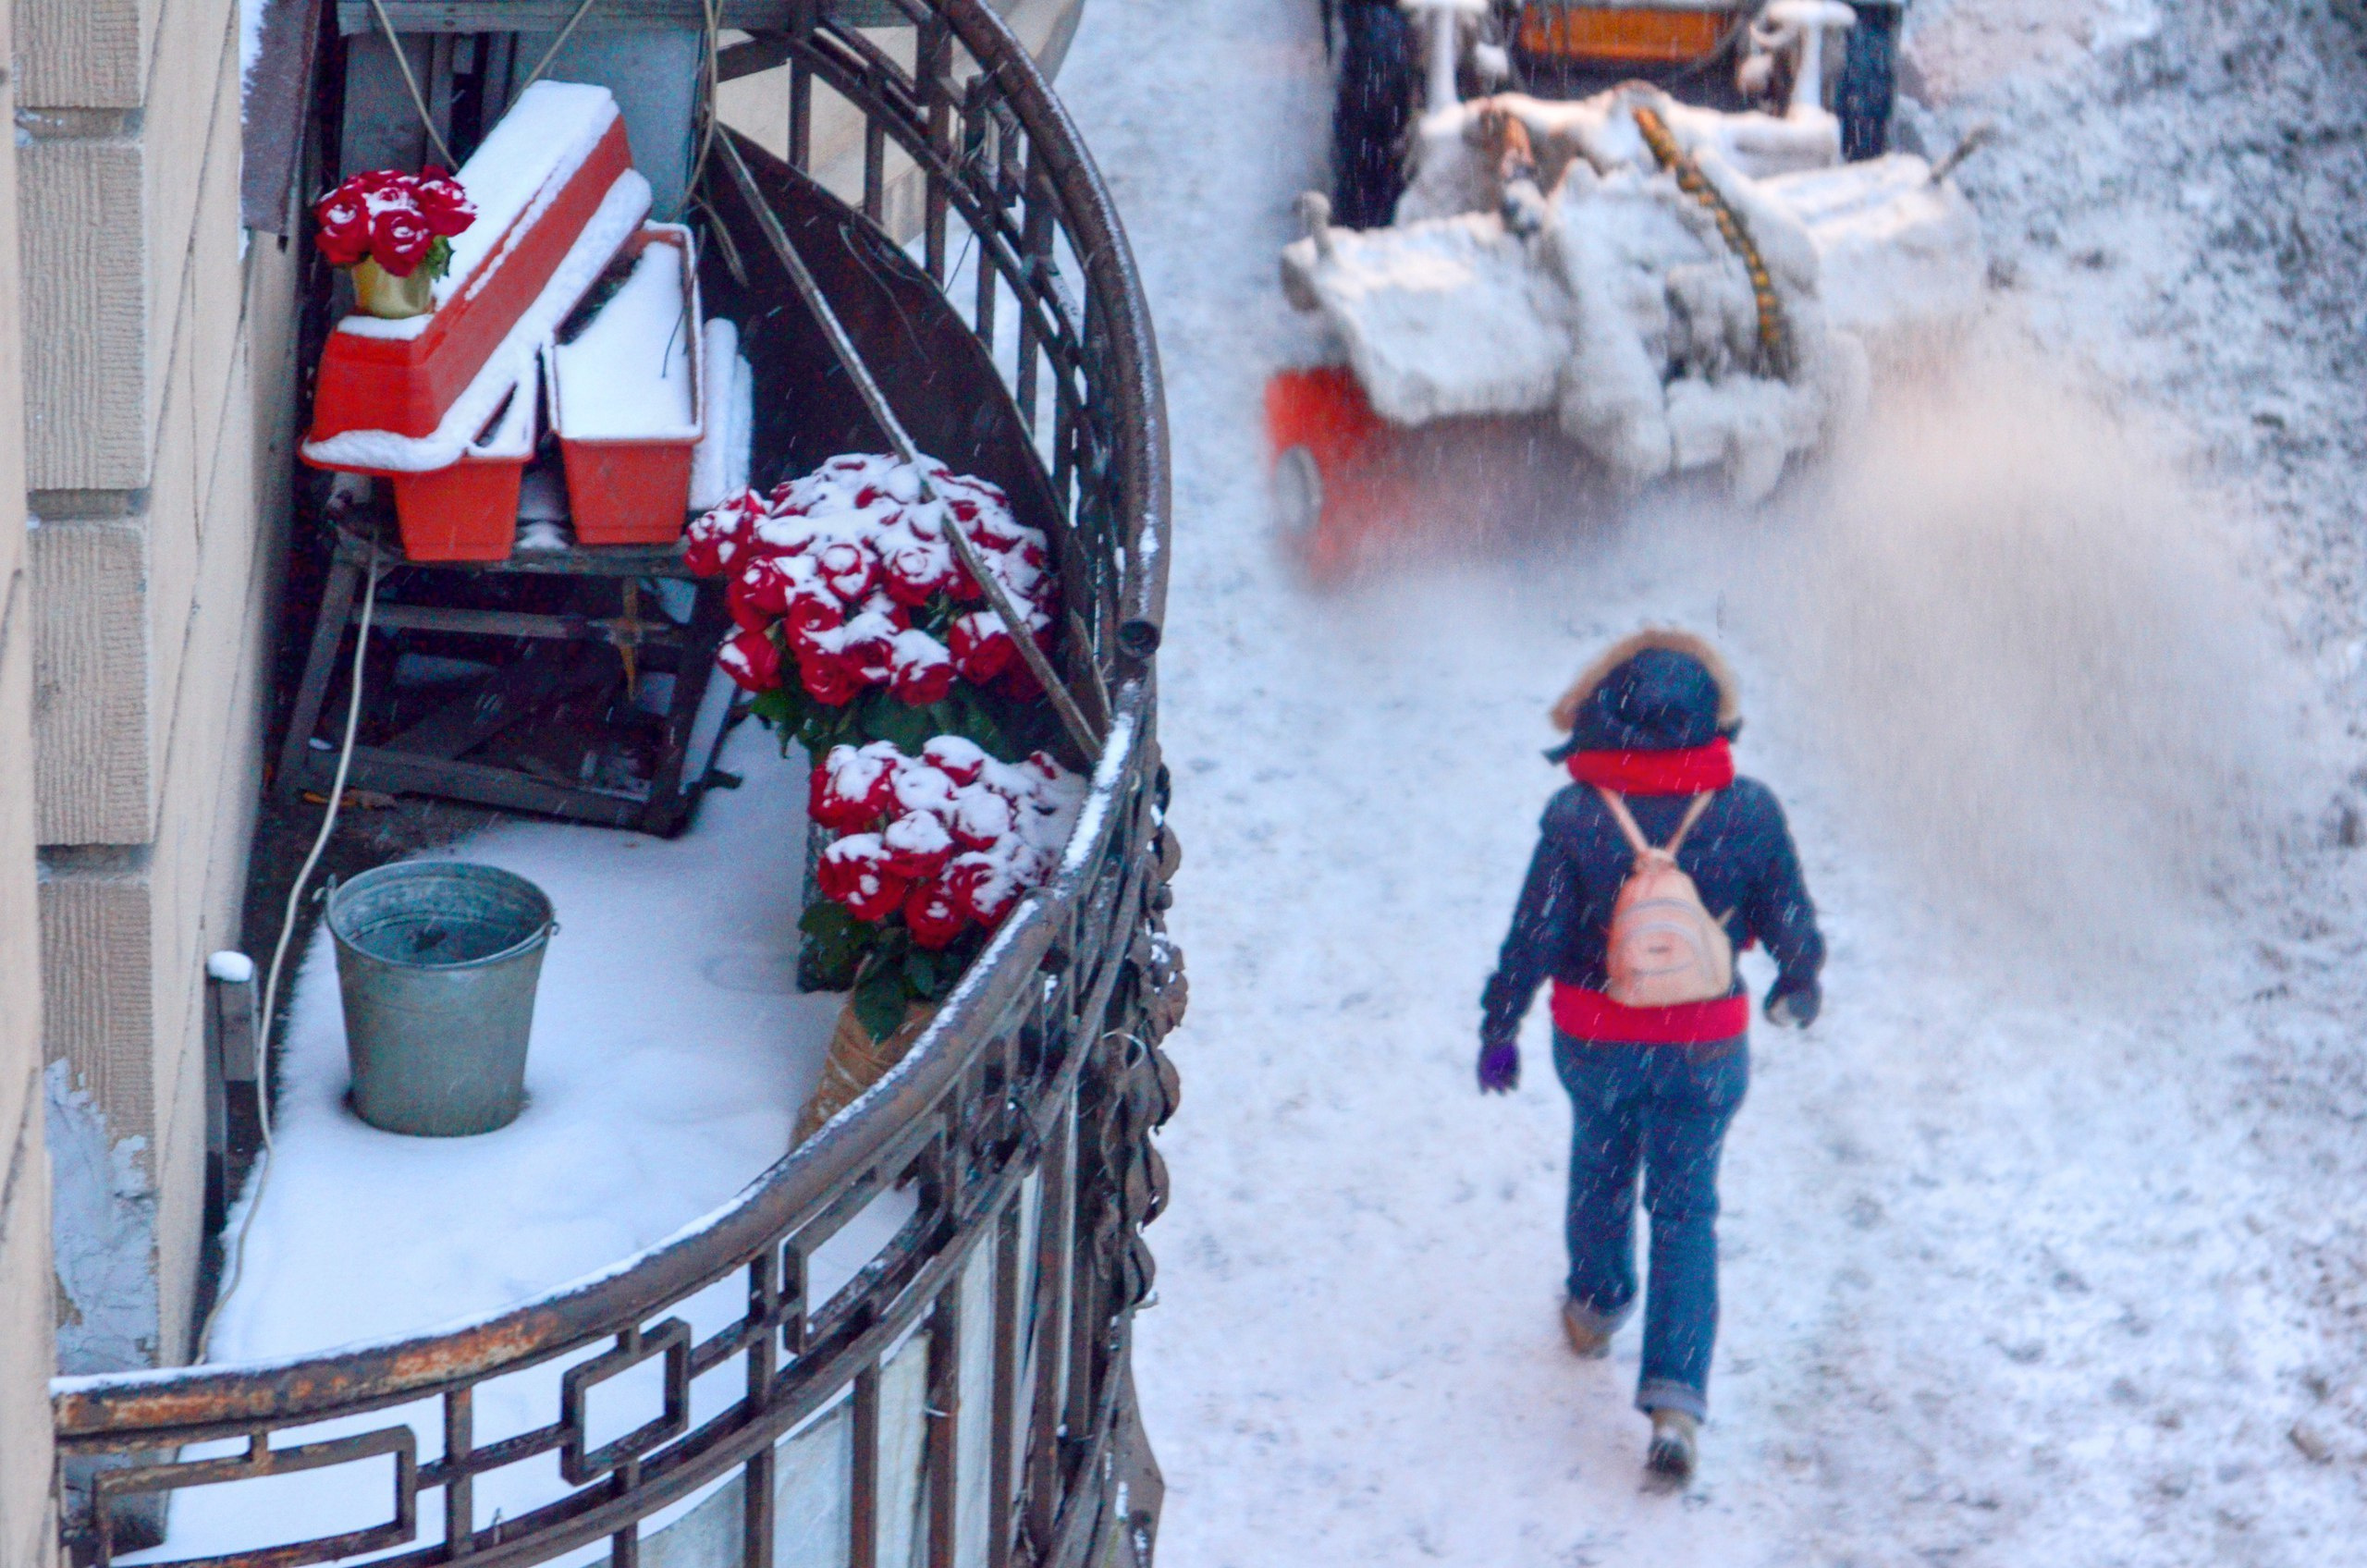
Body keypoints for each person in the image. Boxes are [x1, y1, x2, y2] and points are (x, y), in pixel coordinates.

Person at [1478, 629, 1824, 1482]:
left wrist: (1500, 1023)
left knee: (1600, 1165)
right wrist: (1798, 981)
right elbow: (1791, 922)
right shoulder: (1748, 813)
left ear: (1608, 716)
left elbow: (1535, 934)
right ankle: (1675, 1404)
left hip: (1597, 1038)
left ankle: (1596, 1307)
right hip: (1704, 1050)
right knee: (1686, 1211)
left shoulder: (1577, 818)